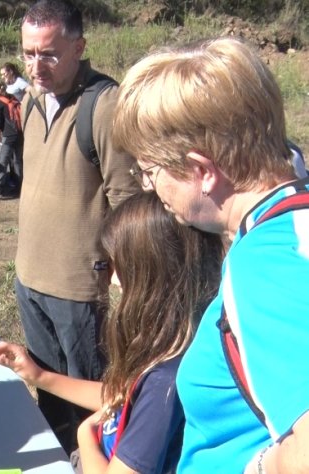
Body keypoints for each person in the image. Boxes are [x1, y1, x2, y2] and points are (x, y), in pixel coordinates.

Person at [113, 37, 309, 474]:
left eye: (150, 171)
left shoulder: (265, 264)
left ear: (201, 171)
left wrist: (253, 466)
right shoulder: (287, 221)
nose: (149, 188)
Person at [0, 192, 223, 474]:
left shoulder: (166, 379)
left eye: (119, 266)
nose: (113, 280)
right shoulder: (172, 344)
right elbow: (122, 398)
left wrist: (85, 434)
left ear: (152, 273)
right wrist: (38, 376)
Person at [15, 0, 140, 453]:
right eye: (28, 53)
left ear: (78, 47)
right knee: (47, 389)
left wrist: (127, 275)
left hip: (80, 287)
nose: (36, 65)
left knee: (92, 398)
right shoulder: (31, 98)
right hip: (29, 277)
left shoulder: (103, 105)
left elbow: (127, 202)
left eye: (48, 53)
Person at [0, 80, 21, 200]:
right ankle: (19, 188)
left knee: (2, 162)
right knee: (17, 162)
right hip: (19, 134)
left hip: (8, 135)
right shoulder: (12, 97)